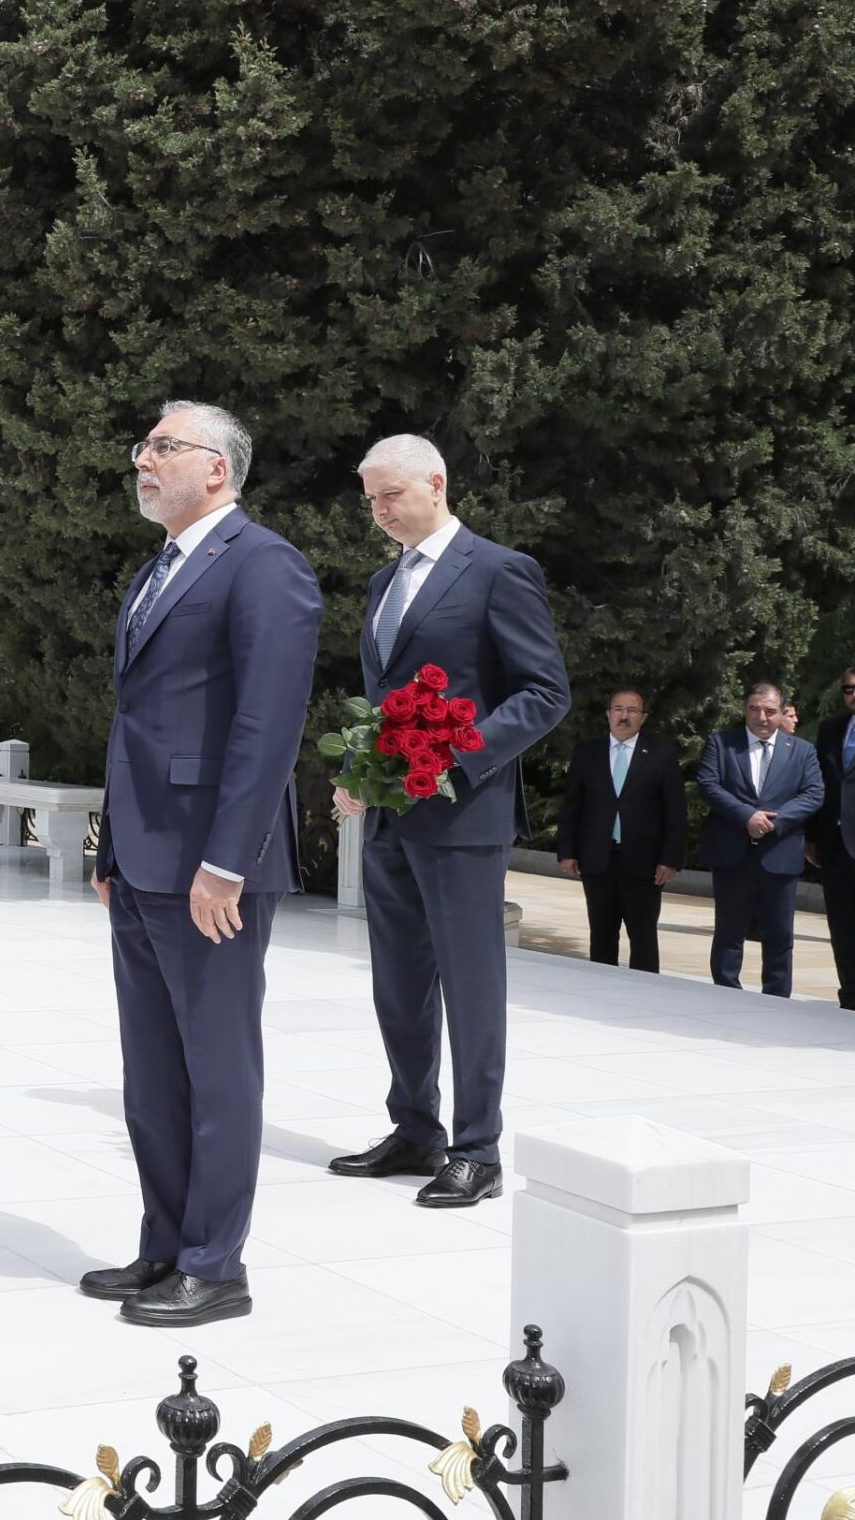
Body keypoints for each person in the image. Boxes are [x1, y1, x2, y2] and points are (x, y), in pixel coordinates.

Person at [85, 401, 323, 1328]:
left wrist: (229, 860)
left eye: (162, 446)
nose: (142, 459)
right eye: (143, 445)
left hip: (210, 868)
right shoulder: (159, 569)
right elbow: (139, 723)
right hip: (142, 859)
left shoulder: (265, 566)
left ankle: (216, 1262)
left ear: (217, 469)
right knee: (151, 1069)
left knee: (218, 1067)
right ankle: (164, 1244)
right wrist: (111, 841)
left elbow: (267, 728)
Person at [330, 435, 569, 1209]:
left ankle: (478, 1148)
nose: (379, 510)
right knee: (398, 985)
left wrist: (455, 759)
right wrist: (363, 769)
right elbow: (385, 700)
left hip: (465, 814)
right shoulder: (381, 582)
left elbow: (543, 692)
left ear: (436, 482)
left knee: (470, 986)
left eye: (390, 494)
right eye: (370, 498)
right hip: (392, 819)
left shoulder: (499, 571)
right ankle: (414, 1127)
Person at [697, 682, 824, 998]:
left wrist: (773, 822)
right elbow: (708, 784)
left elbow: (814, 794)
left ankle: (778, 999)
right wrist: (746, 817)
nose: (761, 716)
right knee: (729, 932)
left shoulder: (803, 751)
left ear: (782, 713)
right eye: (754, 708)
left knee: (780, 935)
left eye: (770, 711)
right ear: (745, 710)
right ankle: (725, 993)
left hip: (779, 855)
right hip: (732, 853)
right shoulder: (721, 743)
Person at [556, 689, 685, 972]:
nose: (623, 716)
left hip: (645, 863)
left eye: (631, 710)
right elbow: (572, 806)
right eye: (618, 709)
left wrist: (670, 859)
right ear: (608, 714)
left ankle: (644, 998)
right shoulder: (587, 753)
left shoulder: (662, 755)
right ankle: (603, 995)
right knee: (601, 934)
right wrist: (567, 851)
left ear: (643, 717)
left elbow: (675, 813)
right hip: (597, 859)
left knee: (643, 937)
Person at [808, 666, 855, 1012]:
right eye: (849, 689)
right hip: (836, 848)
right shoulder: (831, 729)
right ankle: (852, 1001)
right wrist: (813, 836)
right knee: (844, 932)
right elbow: (821, 787)